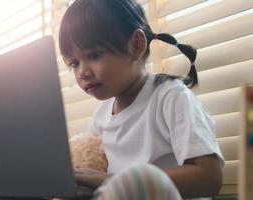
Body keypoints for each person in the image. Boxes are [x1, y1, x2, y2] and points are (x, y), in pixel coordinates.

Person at [58, 0, 224, 199]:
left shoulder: (171, 97)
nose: (82, 72)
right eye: (74, 63)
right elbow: (88, 161)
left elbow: (209, 177)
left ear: (136, 45)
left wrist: (113, 181)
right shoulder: (101, 115)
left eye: (94, 55)